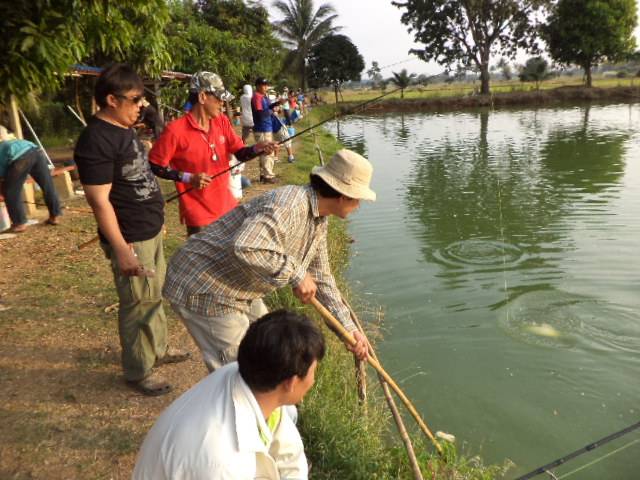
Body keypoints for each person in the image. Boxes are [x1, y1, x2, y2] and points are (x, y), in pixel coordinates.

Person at [163, 149, 376, 372]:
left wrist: (348, 328)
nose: (360, 204)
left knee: (271, 349)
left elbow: (321, 277)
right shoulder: (290, 205)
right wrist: (297, 275)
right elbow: (246, 245)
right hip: (206, 285)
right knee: (241, 371)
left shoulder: (319, 219)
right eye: (359, 198)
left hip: (239, 286)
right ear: (344, 195)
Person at [73, 63, 191, 396]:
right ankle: (138, 371)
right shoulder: (95, 139)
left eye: (143, 98)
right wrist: (122, 248)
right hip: (130, 237)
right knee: (137, 303)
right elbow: (99, 201)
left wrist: (157, 216)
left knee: (153, 296)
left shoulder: (124, 129)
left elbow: (141, 176)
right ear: (112, 99)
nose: (142, 105)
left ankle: (159, 349)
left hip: (149, 229)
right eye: (136, 99)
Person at [132, 309, 325, 480]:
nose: (314, 380)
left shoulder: (244, 376)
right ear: (290, 382)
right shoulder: (224, 465)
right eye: (313, 372)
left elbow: (289, 454)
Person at [149, 72, 279, 236]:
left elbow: (240, 153)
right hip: (200, 217)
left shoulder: (222, 121)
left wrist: (258, 148)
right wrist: (189, 178)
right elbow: (155, 165)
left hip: (228, 207)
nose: (222, 103)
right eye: (218, 98)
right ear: (202, 97)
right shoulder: (175, 131)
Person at [0, 126, 62, 233]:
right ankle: (54, 217)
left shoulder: (1, 148)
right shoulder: (11, 141)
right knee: (47, 185)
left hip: (21, 157)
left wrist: (2, 191)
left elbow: (2, 177)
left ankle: (19, 224)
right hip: (35, 151)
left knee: (10, 191)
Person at [251, 77, 285, 184]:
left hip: (266, 127)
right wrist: (272, 111)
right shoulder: (257, 97)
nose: (266, 87)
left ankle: (263, 175)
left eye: (266, 85)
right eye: (263, 85)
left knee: (263, 152)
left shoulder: (263, 97)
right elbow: (261, 114)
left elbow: (268, 107)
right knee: (267, 152)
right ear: (257, 86)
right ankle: (268, 176)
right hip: (262, 128)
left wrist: (276, 103)